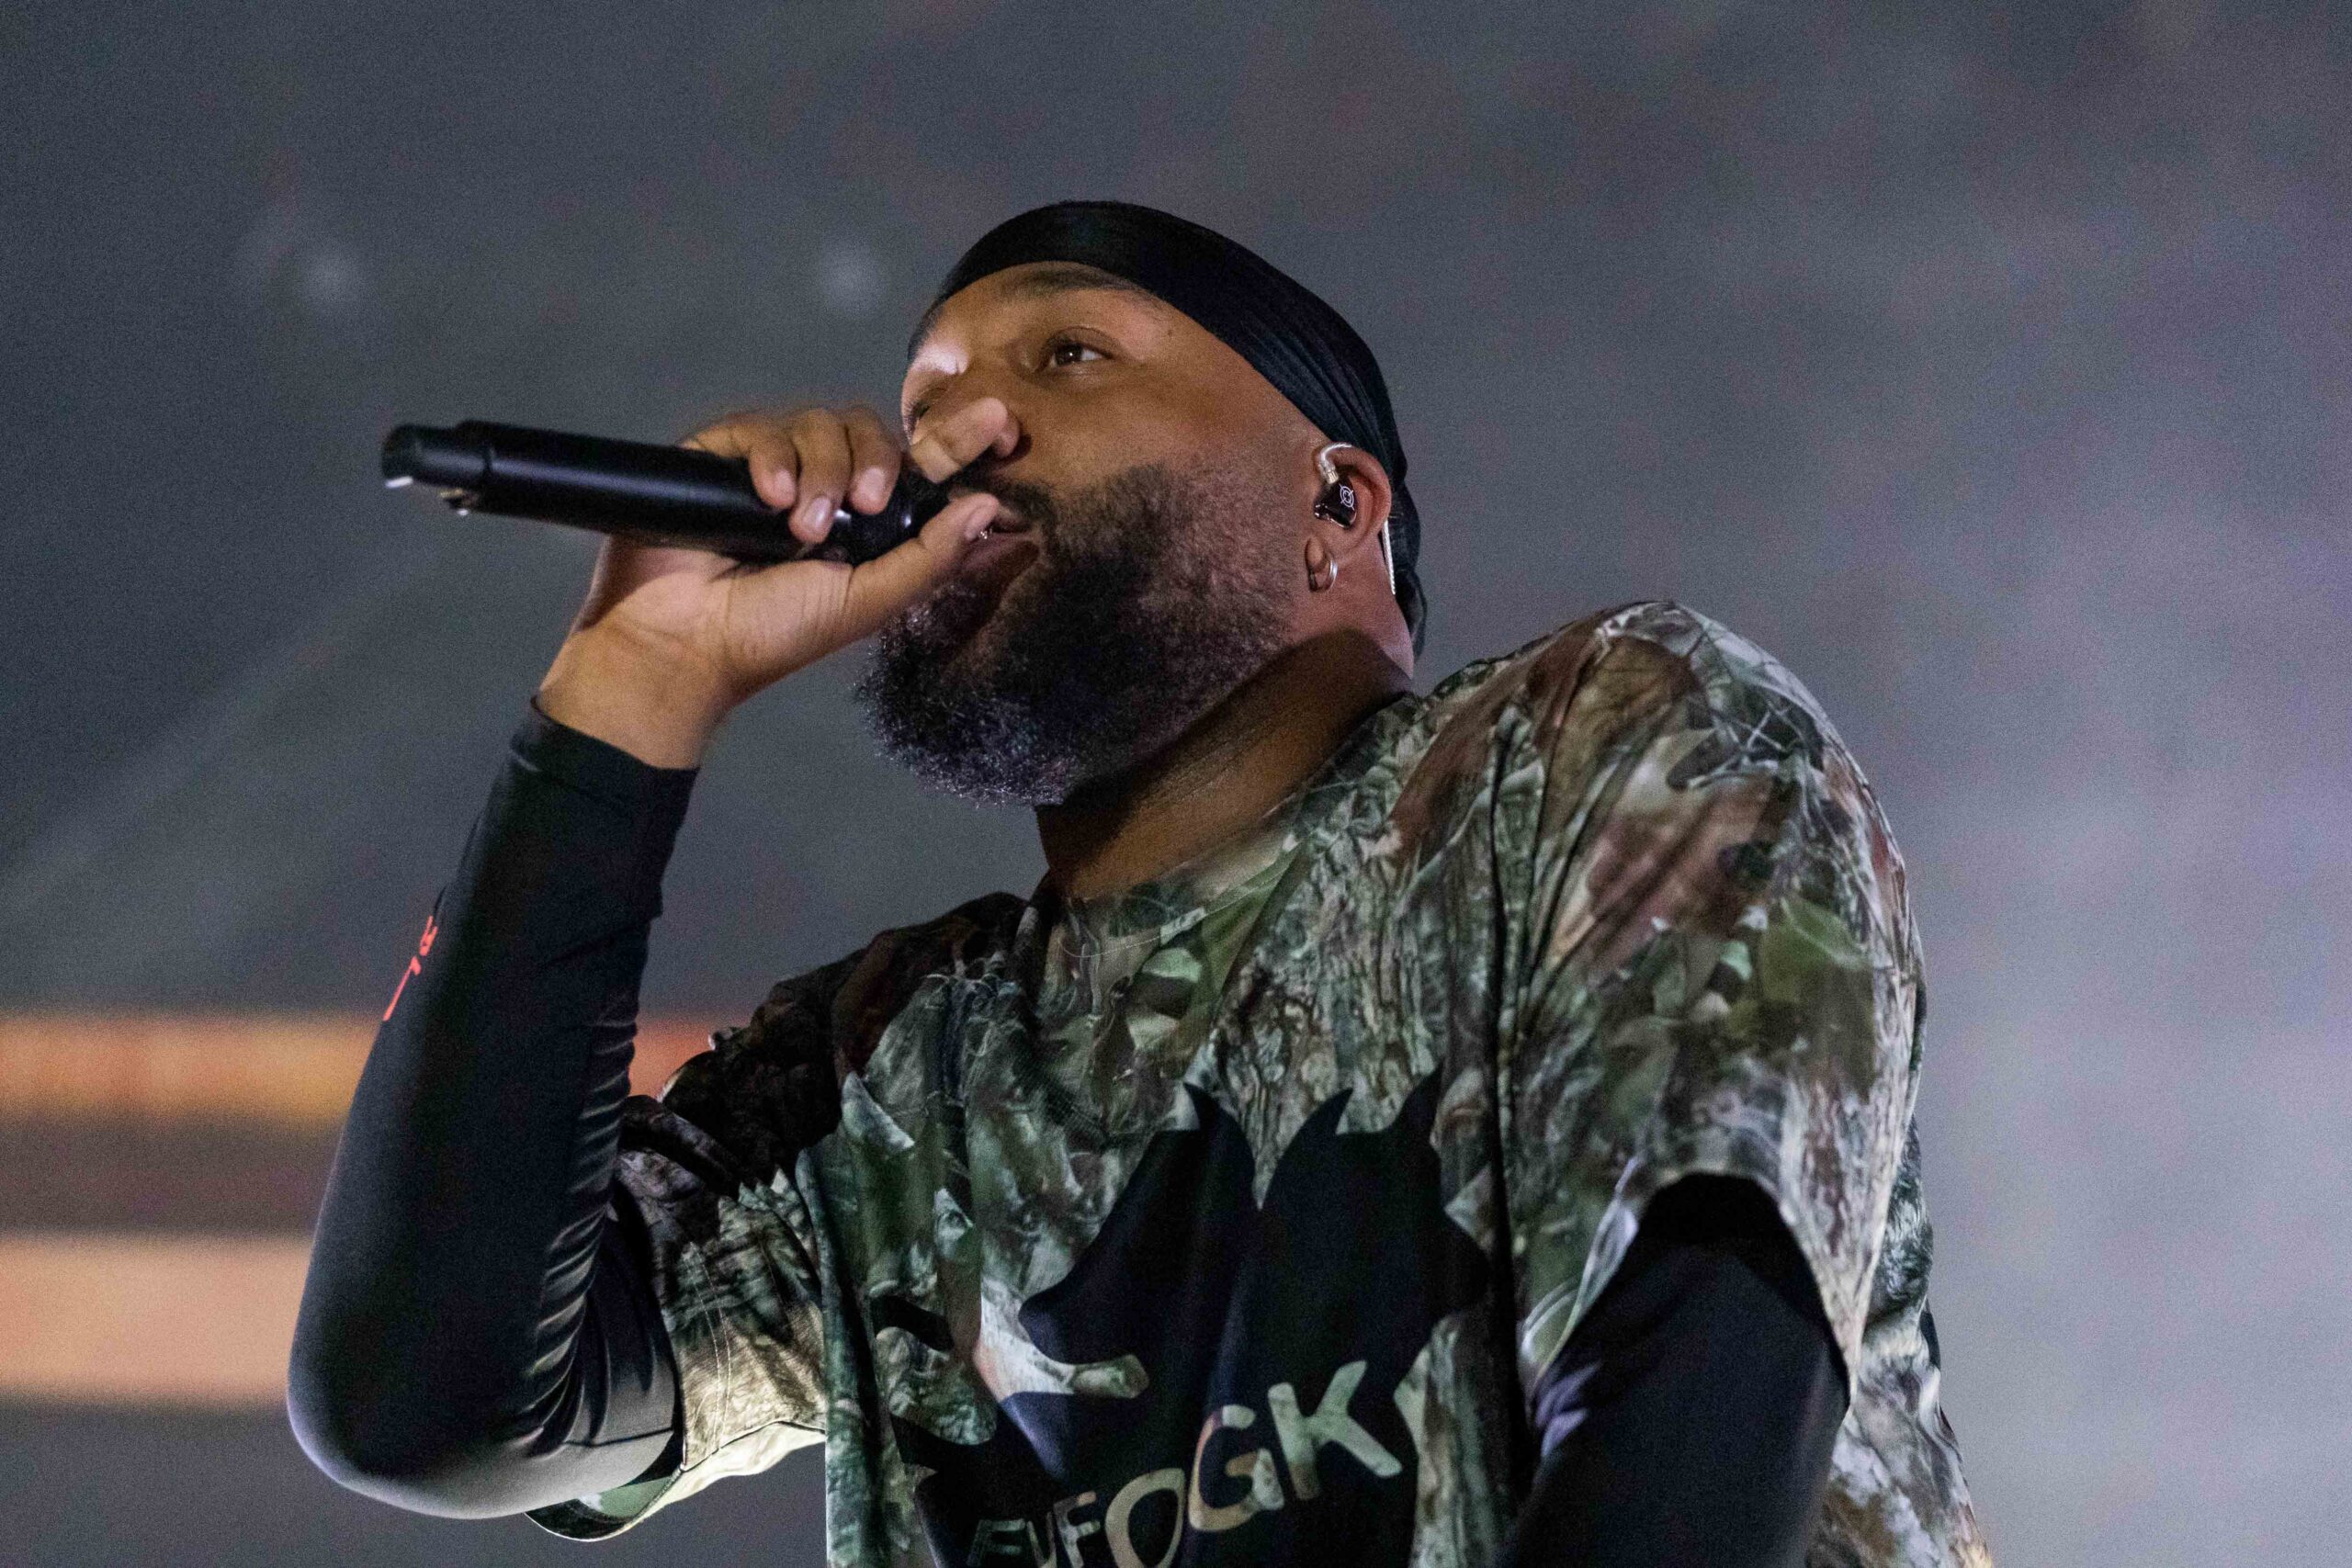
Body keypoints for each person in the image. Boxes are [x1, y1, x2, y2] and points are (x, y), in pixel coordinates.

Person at [288, 201, 1988, 1567]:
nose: (956, 432)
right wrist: (631, 690)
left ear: (1341, 501)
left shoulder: (1590, 747)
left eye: (1069, 353)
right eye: (923, 403)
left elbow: (1700, 1369)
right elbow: (431, 1404)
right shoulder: (887, 1074)